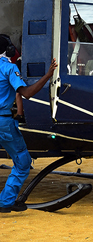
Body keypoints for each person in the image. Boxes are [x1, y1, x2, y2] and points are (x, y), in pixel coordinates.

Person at [0, 35, 57, 213]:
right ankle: (6, 202)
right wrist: (47, 75)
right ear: (8, 51)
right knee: (23, 162)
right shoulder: (9, 69)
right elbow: (26, 93)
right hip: (3, 122)